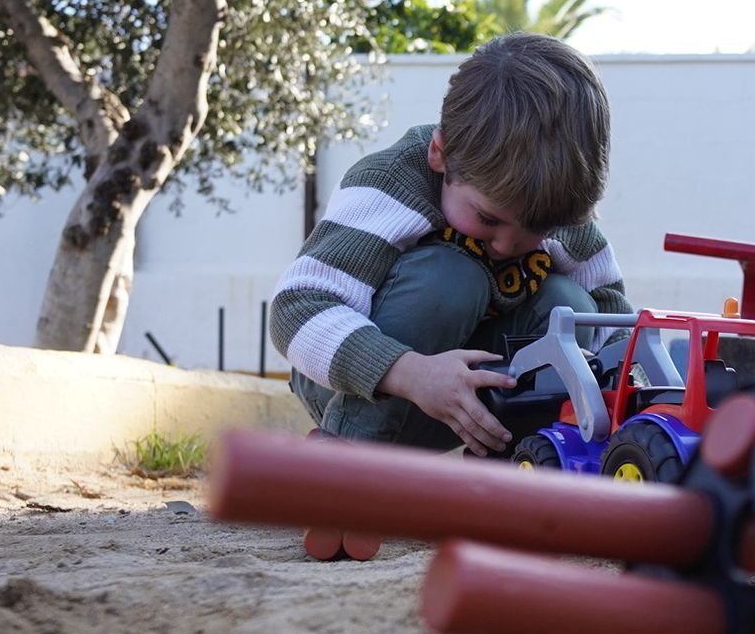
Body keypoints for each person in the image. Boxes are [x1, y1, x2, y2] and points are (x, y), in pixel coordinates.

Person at [269, 31, 631, 462]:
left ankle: (508, 470)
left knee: (571, 307)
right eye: (488, 219)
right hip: (350, 380)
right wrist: (409, 372)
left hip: (461, 404)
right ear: (439, 154)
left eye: (537, 228)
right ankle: (347, 459)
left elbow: (613, 316)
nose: (506, 244)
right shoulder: (392, 183)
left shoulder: (553, 204)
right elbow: (296, 308)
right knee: (452, 278)